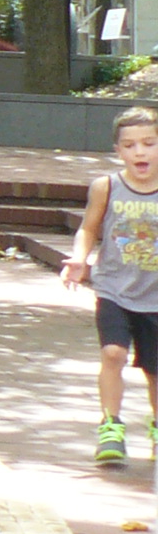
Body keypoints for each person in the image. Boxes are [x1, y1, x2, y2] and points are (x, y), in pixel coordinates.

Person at [64, 107, 158, 465]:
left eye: (149, 143)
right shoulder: (107, 187)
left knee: (155, 371)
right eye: (130, 145)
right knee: (113, 353)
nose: (140, 152)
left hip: (155, 296)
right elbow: (88, 228)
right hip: (114, 289)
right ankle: (111, 426)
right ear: (118, 150)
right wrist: (79, 259)